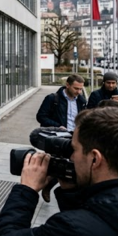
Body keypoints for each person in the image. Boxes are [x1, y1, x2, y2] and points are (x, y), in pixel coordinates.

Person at [0, 107, 118, 236]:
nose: (71, 157)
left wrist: (26, 190)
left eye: (74, 149)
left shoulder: (72, 229)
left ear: (95, 159)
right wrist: (70, 193)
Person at [35, 74, 87, 202]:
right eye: (76, 88)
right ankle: (49, 185)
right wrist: (58, 127)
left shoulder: (81, 100)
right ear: (67, 85)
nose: (79, 92)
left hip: (74, 137)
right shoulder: (52, 98)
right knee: (59, 164)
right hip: (58, 137)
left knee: (73, 164)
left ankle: (50, 185)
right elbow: (41, 116)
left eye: (81, 89)